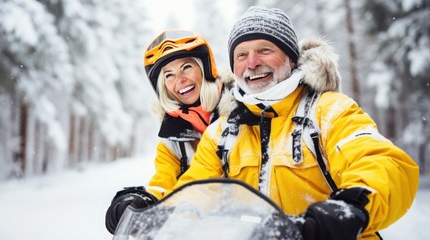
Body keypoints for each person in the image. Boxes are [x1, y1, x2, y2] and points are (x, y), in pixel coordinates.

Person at [165, 6, 419, 240]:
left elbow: (384, 164)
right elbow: (192, 193)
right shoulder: (222, 132)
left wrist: (346, 210)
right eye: (241, 54)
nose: (252, 63)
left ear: (291, 59)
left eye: (265, 50)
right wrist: (160, 212)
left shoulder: (328, 110)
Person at [104, 30, 233, 234]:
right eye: (169, 75)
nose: (179, 80)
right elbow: (163, 183)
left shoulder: (240, 114)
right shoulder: (172, 139)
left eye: (186, 67)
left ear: (205, 69)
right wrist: (141, 201)